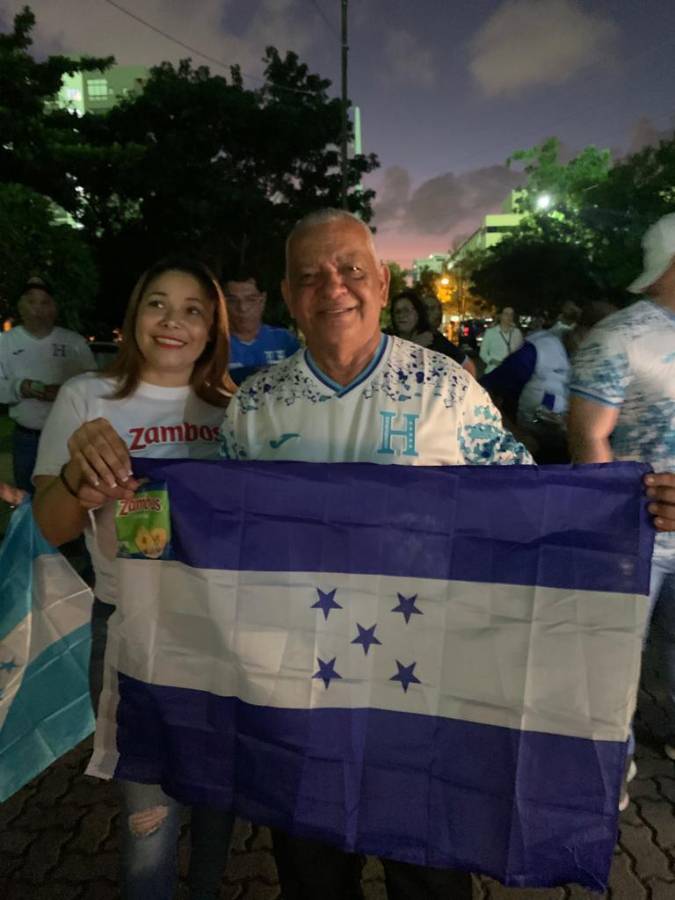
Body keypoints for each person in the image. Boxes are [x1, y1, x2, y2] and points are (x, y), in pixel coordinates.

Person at [220, 208, 535, 900]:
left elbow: (526, 501)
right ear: (288, 294)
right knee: (313, 876)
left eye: (350, 269)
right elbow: (218, 538)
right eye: (309, 276)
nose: (332, 287)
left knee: (427, 876)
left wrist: (631, 506)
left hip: (421, 685)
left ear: (382, 281)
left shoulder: (447, 389)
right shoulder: (255, 408)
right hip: (300, 689)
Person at [32, 257, 237, 900]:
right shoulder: (86, 399)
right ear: (134, 317)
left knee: (219, 804)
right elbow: (47, 529)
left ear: (211, 330)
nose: (173, 321)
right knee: (149, 822)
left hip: (223, 637)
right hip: (130, 634)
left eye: (193, 309)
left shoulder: (237, 409)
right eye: (157, 303)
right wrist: (78, 478)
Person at [568, 212, 675, 802]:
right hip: (638, 535)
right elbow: (587, 437)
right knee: (616, 660)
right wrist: (615, 522)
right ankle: (613, 763)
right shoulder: (619, 337)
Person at [481, 302, 615, 463]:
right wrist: (517, 435)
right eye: (595, 342)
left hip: (573, 458)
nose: (598, 351)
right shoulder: (537, 351)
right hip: (529, 458)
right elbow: (483, 393)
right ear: (579, 329)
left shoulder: (609, 362)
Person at [0, 279, 96, 493]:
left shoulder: (74, 342)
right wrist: (20, 387)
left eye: (44, 303)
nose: (38, 309)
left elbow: (92, 384)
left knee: (67, 494)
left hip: (68, 436)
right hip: (27, 437)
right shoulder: (5, 342)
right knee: (27, 497)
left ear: (54, 308)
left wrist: (65, 391)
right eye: (31, 302)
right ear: (20, 306)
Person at [224, 276, 300, 385]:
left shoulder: (285, 340)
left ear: (263, 299)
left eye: (251, 299)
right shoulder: (215, 344)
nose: (242, 308)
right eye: (232, 300)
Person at [421, 292, 476, 375]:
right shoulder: (410, 339)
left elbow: (468, 366)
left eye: (439, 308)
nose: (438, 312)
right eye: (431, 308)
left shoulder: (442, 342)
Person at [479, 306, 523, 374]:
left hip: (513, 372)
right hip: (494, 371)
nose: (509, 316)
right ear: (500, 316)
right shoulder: (490, 332)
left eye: (511, 314)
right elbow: (483, 353)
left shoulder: (517, 332)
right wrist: (494, 361)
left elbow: (521, 352)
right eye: (506, 314)